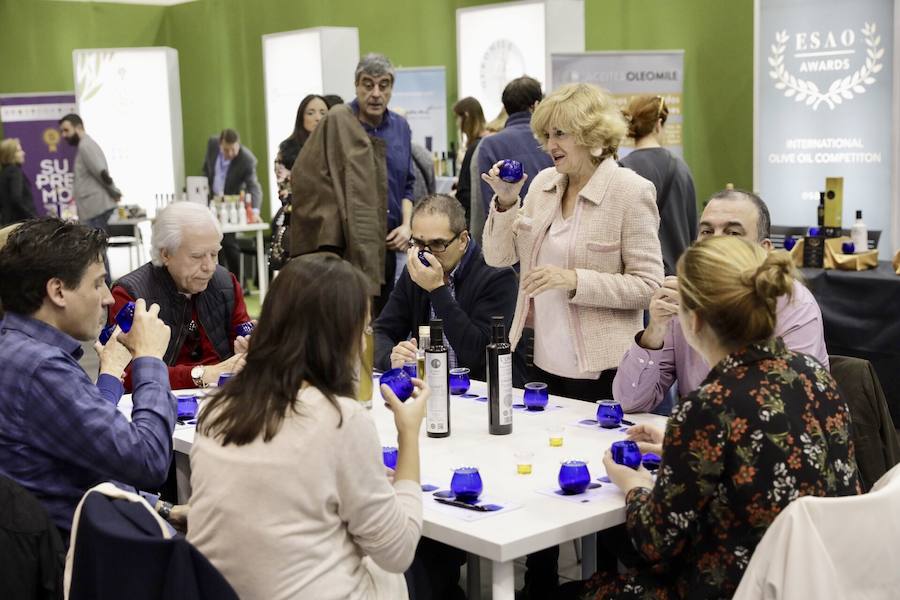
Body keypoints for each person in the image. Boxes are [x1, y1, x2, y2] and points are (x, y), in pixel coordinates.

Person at [560, 235, 860, 600]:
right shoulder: (816, 378)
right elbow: (768, 454)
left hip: (736, 586)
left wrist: (632, 482)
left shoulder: (710, 405)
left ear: (695, 321)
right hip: (816, 579)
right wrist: (680, 444)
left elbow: (656, 541)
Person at [482, 82, 663, 599]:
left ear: (591, 135)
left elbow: (648, 284)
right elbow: (498, 257)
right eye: (546, 134)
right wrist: (504, 202)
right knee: (541, 488)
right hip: (539, 365)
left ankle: (607, 589)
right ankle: (539, 588)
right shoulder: (539, 184)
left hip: (603, 373)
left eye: (560, 133)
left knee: (603, 498)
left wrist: (574, 280)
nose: (550, 145)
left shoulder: (630, 192)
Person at [188, 254, 428, 600]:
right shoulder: (340, 419)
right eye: (361, 331)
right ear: (337, 338)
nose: (363, 344)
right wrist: (408, 434)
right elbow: (398, 552)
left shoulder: (216, 408)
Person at [0, 218, 177, 537]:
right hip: (91, 558)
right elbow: (148, 460)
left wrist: (158, 507)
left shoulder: (16, 350)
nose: (108, 298)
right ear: (58, 291)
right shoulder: (42, 368)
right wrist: (149, 358)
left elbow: (83, 447)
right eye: (97, 284)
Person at [613, 188, 830, 414]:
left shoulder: (792, 304)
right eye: (707, 231)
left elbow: (786, 409)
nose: (715, 242)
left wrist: (710, 319)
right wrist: (655, 331)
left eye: (733, 233)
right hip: (705, 437)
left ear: (763, 250)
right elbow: (630, 402)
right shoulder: (683, 300)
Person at [290, 53, 416, 314]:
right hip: (349, 252)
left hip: (391, 249)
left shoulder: (400, 128)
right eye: (368, 84)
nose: (376, 93)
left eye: (384, 85)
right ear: (356, 85)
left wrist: (407, 225)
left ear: (392, 87)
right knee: (348, 327)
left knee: (384, 328)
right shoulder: (337, 122)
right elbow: (307, 179)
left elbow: (407, 184)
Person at [374, 193, 522, 384]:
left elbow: (478, 356)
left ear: (462, 240)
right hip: (428, 389)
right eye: (418, 243)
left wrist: (437, 290)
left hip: (481, 395)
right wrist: (392, 359)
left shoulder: (497, 276)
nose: (426, 254)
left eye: (437, 244)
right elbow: (381, 332)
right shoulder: (415, 272)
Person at [110, 201, 250, 391]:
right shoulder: (130, 295)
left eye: (214, 254)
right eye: (197, 256)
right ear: (166, 254)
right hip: (160, 400)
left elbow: (243, 337)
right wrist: (204, 374)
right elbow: (121, 374)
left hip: (224, 398)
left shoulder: (226, 283)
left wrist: (249, 347)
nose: (209, 267)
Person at [620, 95, 697, 275]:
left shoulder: (620, 171)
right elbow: (692, 231)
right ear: (658, 124)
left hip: (635, 283)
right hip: (675, 282)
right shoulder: (681, 169)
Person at [476, 76, 553, 221]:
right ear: (537, 105)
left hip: (508, 231)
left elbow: (490, 206)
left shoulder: (489, 145)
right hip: (551, 231)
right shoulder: (553, 140)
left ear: (505, 108)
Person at [59, 113, 122, 283]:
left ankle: (107, 290)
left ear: (78, 127)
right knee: (97, 251)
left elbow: (102, 172)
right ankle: (106, 290)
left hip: (96, 208)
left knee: (97, 251)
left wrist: (114, 192)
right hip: (92, 207)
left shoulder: (86, 145)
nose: (64, 135)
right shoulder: (84, 146)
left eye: (66, 130)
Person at [271, 95, 328, 269]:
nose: (317, 117)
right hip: (298, 223)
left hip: (329, 226)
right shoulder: (287, 150)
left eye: (323, 112)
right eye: (311, 113)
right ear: (301, 117)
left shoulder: (335, 148)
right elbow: (286, 193)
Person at [201, 128, 264, 276]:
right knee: (214, 245)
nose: (229, 153)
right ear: (220, 144)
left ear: (238, 145)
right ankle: (221, 282)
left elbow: (254, 187)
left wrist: (254, 212)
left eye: (233, 149)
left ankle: (237, 283)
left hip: (231, 207)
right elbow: (206, 169)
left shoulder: (247, 160)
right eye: (226, 149)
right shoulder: (212, 144)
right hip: (211, 204)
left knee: (229, 244)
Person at [452, 97, 489, 223]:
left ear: (466, 116)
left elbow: (464, 191)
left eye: (458, 118)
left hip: (474, 219)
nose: (457, 123)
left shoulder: (474, 148)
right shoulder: (490, 143)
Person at [0, 138, 36, 226]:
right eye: (19, 151)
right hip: (20, 226)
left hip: (7, 225)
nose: (23, 153)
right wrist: (34, 219)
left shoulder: (4, 173)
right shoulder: (14, 171)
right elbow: (16, 199)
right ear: (10, 155)